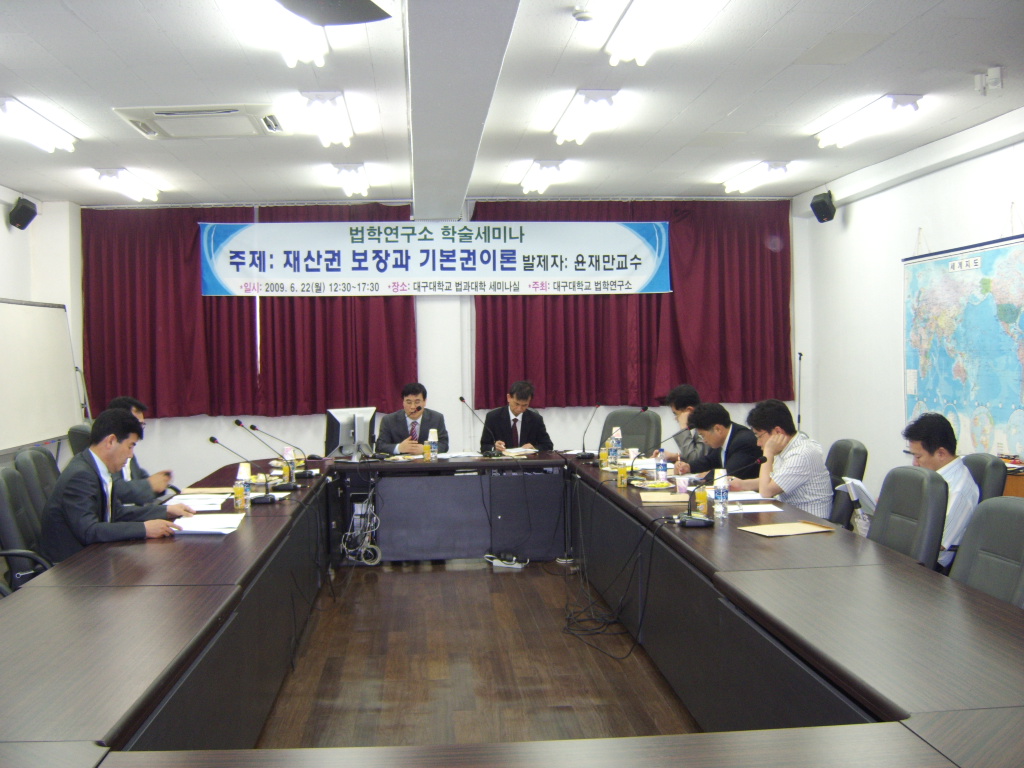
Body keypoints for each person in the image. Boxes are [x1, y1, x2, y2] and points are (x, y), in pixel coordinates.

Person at [40, 408, 195, 563]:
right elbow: (89, 531)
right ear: (111, 441)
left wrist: (165, 511)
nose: (131, 454)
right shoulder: (81, 475)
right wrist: (144, 529)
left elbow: (116, 513)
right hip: (71, 565)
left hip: (92, 555)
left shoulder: (95, 467)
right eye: (130, 446)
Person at [728, 399, 833, 518]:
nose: (758, 443)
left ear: (778, 431)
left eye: (759, 436)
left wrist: (768, 452)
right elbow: (774, 481)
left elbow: (766, 492)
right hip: (791, 514)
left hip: (810, 521)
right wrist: (741, 484)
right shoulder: (789, 446)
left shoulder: (801, 454)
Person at [902, 412, 979, 570]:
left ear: (941, 453)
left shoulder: (958, 491)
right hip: (909, 554)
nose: (914, 463)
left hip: (930, 568)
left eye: (918, 457)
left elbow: (936, 543)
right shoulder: (931, 479)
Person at [107, 395, 174, 504]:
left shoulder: (129, 452)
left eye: (142, 424)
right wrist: (149, 485)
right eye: (137, 424)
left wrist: (159, 483)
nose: (140, 430)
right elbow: (114, 489)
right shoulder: (108, 451)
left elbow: (141, 479)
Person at [673, 402, 762, 480]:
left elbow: (730, 473)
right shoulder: (724, 438)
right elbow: (710, 461)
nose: (704, 440)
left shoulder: (744, 441)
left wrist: (709, 475)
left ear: (718, 429)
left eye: (703, 435)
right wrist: (689, 467)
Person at [375, 383, 449, 455]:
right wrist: (399, 448)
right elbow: (380, 446)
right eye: (408, 402)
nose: (413, 407)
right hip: (400, 463)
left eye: (417, 402)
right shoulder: (389, 420)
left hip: (426, 463)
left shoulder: (436, 418)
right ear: (403, 402)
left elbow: (444, 445)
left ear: (424, 402)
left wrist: (426, 448)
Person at [481, 380, 553, 453]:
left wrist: (534, 448)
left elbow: (548, 445)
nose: (519, 409)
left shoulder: (536, 419)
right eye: (517, 404)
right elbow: (484, 446)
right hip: (503, 459)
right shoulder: (493, 417)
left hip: (527, 459)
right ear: (509, 398)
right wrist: (494, 447)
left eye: (525, 405)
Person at [661, 384, 709, 464]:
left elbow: (695, 460)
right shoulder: (701, 422)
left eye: (677, 414)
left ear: (689, 410)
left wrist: (683, 427)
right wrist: (675, 456)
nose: (676, 419)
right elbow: (696, 454)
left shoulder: (706, 425)